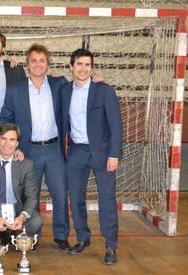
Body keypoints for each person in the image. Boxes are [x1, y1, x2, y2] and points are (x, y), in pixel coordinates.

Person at [0, 44, 70, 252]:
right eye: (33, 61)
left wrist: (95, 79)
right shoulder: (15, 89)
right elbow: (4, 117)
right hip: (28, 151)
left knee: (60, 194)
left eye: (42, 60)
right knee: (30, 197)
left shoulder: (59, 84)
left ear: (48, 64)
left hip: (54, 149)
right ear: (27, 64)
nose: (38, 64)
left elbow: (80, 89)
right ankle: (30, 237)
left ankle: (61, 235)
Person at [60, 48, 122, 265]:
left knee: (106, 199)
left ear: (92, 67)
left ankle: (110, 245)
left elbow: (116, 125)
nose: (83, 69)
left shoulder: (104, 90)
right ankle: (82, 238)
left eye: (87, 65)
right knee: (75, 197)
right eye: (79, 64)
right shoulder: (65, 90)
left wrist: (114, 154)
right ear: (71, 67)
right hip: (77, 151)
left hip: (103, 152)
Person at [0, 123, 42, 252]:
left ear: (17, 143)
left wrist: (21, 217)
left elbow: (32, 197)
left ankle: (16, 236)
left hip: (16, 205)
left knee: (36, 220)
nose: (7, 143)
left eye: (12, 140)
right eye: (3, 138)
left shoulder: (27, 164)